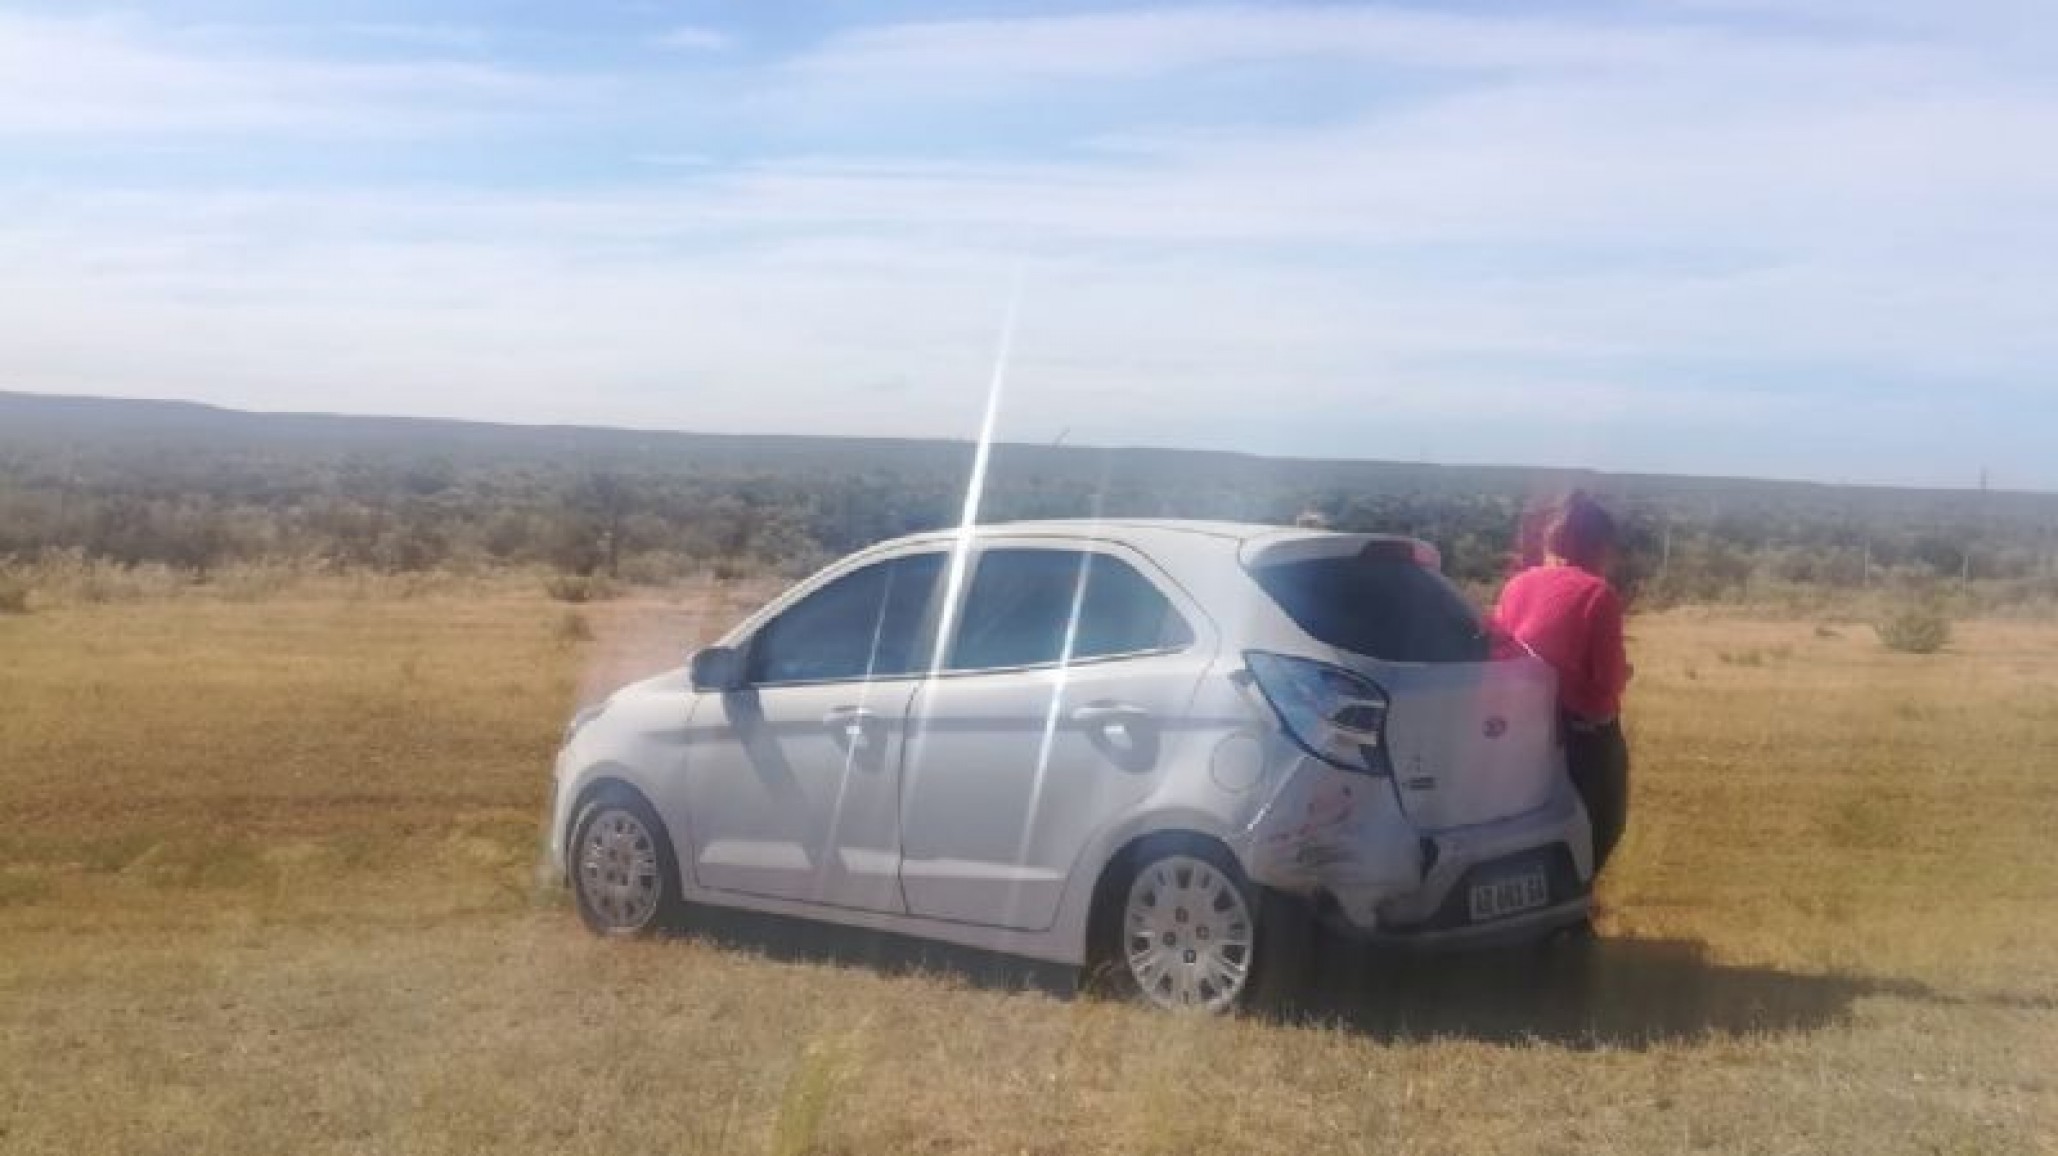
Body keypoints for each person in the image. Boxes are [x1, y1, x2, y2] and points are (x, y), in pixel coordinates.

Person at [1494, 493, 1633, 876]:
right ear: (1599, 545)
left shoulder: (1516, 587)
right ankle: (1576, 901)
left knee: (1535, 822)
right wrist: (1625, 673)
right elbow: (1607, 681)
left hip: (1524, 730)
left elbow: (1501, 652)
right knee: (1602, 821)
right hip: (1585, 735)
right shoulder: (1597, 594)